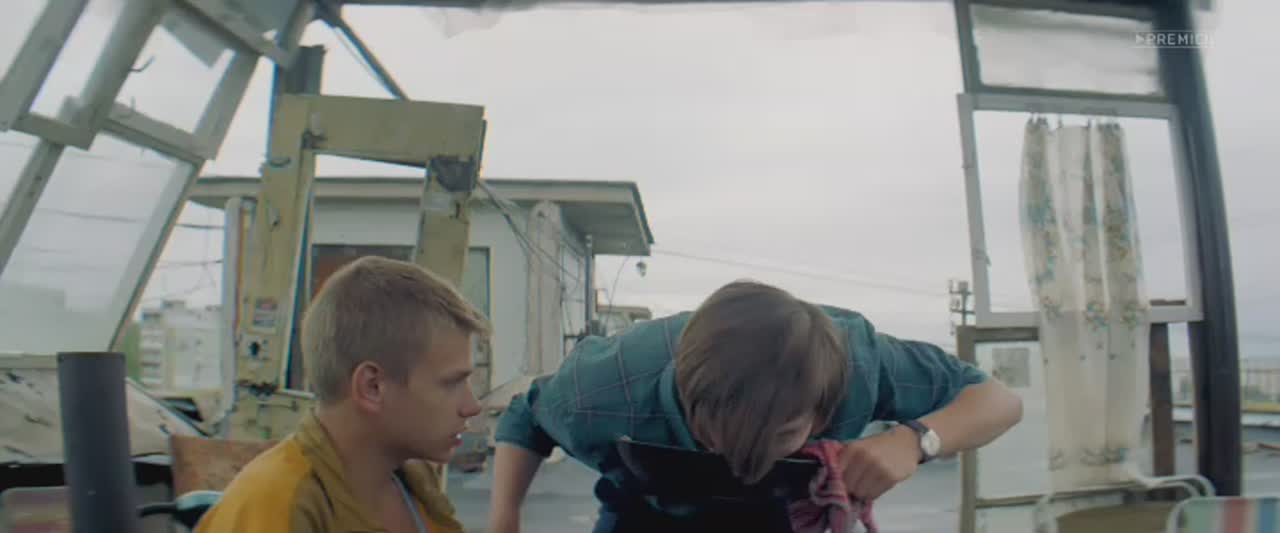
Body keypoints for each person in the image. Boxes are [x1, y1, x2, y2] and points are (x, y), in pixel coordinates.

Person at [489, 280, 1022, 532]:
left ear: (823, 406)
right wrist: (504, 519)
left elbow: (999, 400)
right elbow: (526, 416)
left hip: (781, 517)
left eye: (781, 436)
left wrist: (915, 440)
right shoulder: (605, 385)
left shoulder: (860, 363)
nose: (745, 459)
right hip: (645, 515)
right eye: (716, 434)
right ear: (683, 389)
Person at [196, 256, 489, 533]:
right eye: (451, 384)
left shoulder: (412, 482)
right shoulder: (274, 505)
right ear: (372, 387)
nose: (471, 406)